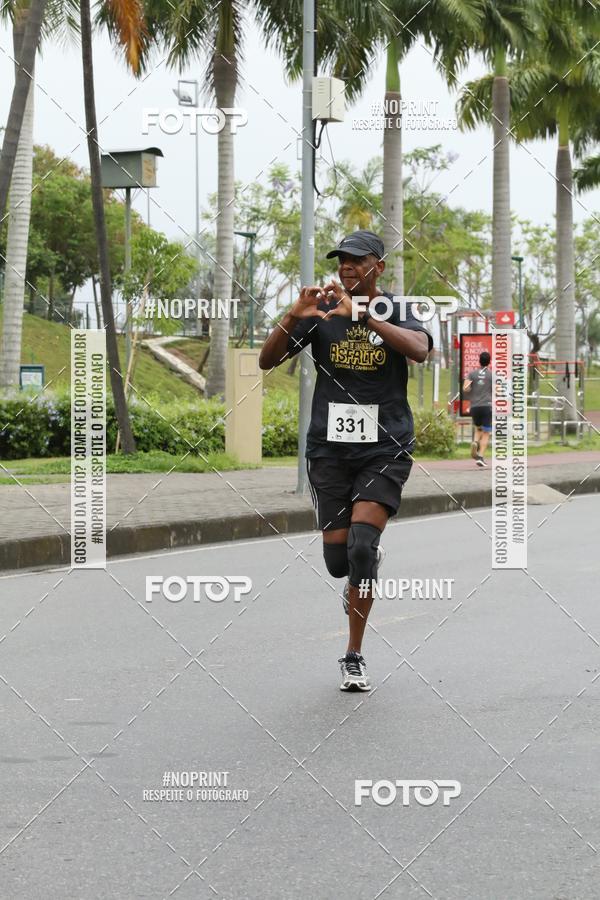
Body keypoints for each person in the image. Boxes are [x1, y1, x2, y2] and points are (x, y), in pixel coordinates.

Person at [258, 230, 433, 691]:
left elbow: (418, 350)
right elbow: (266, 360)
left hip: (385, 447)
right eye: (342, 261)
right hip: (330, 451)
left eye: (357, 261)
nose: (347, 268)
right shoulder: (321, 314)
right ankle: (361, 565)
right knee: (340, 561)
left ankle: (353, 653)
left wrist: (366, 316)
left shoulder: (395, 308)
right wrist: (293, 316)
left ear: (377, 266)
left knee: (360, 547)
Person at [463, 351, 493, 468]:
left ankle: (475, 442)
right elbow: (498, 390)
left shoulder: (472, 374)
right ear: (489, 362)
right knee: (486, 432)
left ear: (479, 361)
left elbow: (465, 388)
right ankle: (480, 456)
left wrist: (473, 388)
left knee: (478, 428)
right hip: (487, 406)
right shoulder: (491, 375)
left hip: (475, 406)